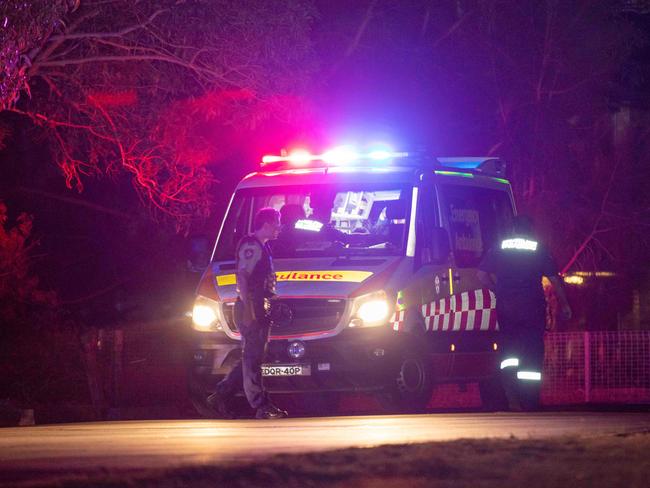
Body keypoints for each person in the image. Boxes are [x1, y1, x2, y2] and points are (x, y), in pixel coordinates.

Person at [477, 215, 571, 409]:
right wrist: (565, 304)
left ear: (513, 229)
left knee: (509, 354)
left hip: (506, 309)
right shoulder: (539, 249)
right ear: (530, 230)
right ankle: (530, 401)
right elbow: (555, 280)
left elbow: (481, 275)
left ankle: (511, 398)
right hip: (531, 309)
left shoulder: (500, 247)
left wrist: (497, 290)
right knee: (532, 353)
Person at [207, 207, 288, 419]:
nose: (280, 227)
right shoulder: (251, 245)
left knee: (253, 356)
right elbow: (242, 277)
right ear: (267, 224)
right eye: (277, 222)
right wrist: (249, 310)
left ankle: (221, 395)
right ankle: (260, 405)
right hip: (251, 307)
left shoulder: (263, 246)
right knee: (253, 358)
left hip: (259, 306)